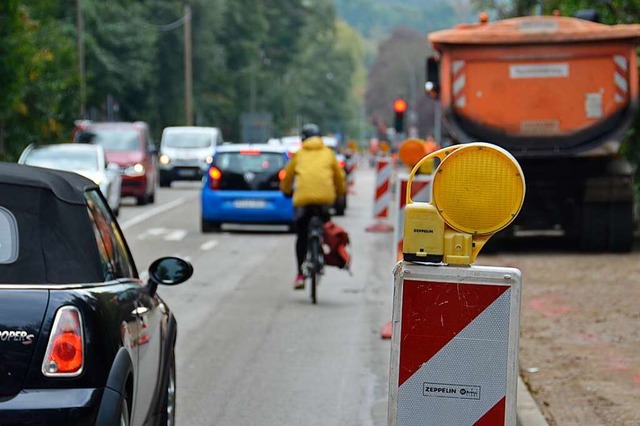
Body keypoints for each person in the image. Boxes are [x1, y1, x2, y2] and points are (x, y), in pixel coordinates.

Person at [280, 123, 347, 289]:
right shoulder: (328, 154)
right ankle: (323, 252)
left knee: (302, 236)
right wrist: (340, 193)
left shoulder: (299, 155)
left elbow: (287, 177)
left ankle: (300, 274)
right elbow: (339, 178)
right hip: (325, 200)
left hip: (303, 201)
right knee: (326, 229)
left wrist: (286, 191)